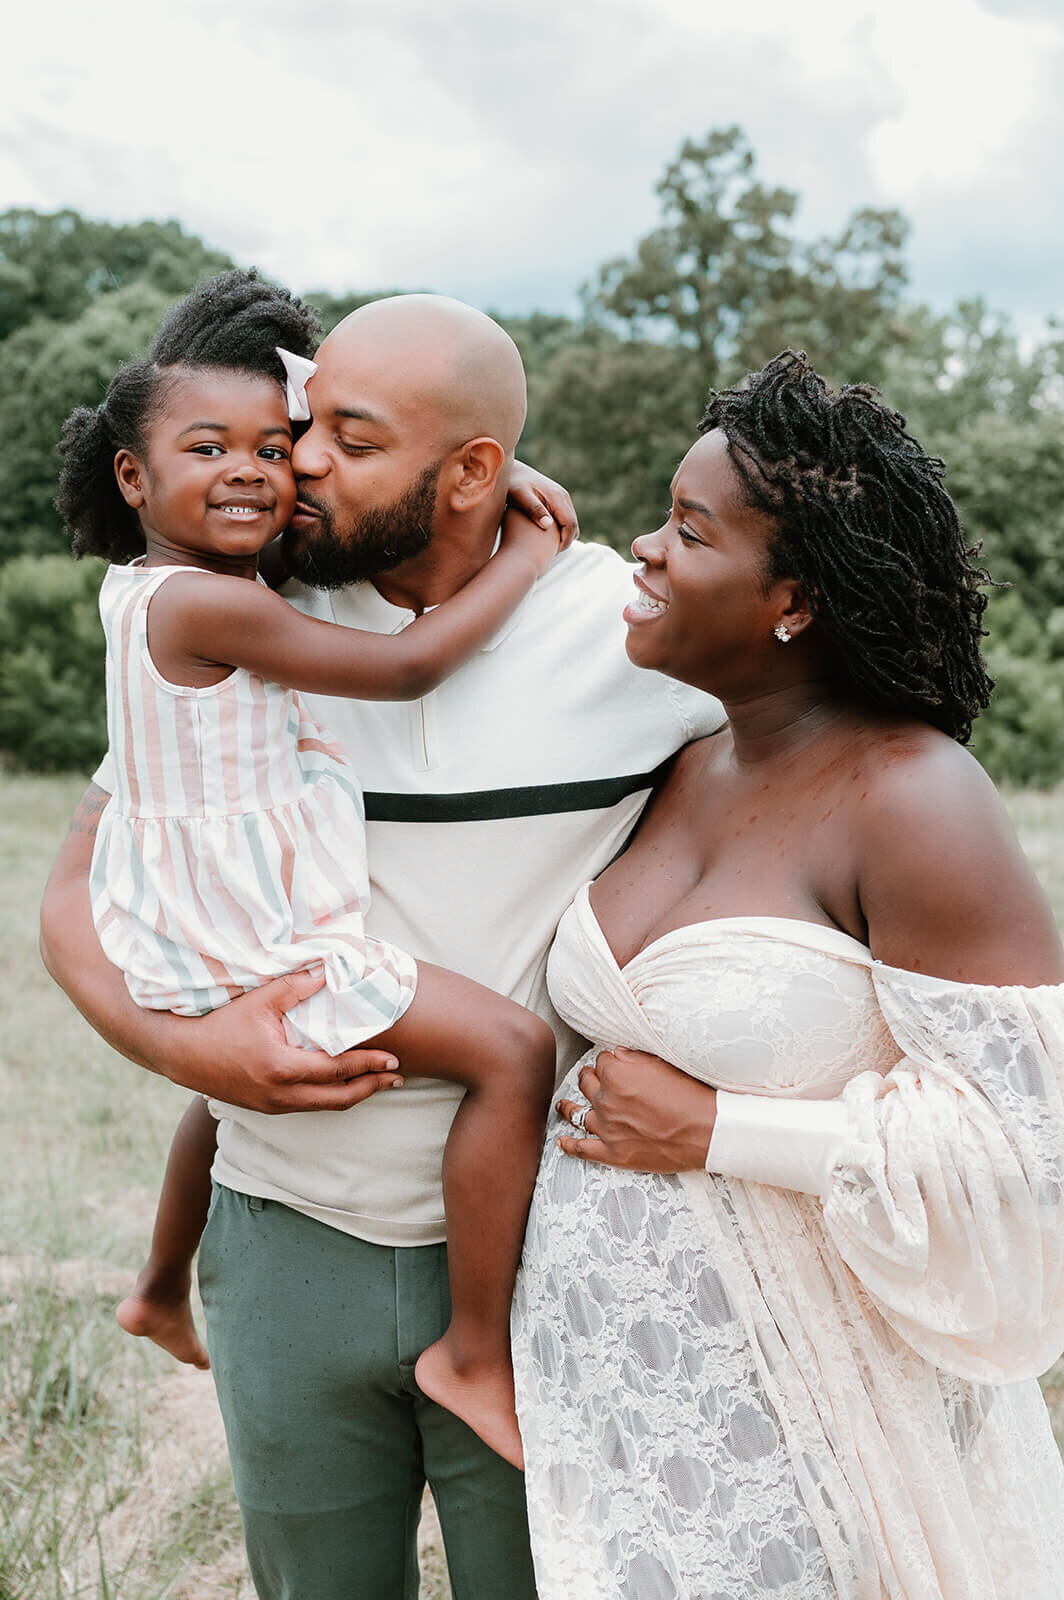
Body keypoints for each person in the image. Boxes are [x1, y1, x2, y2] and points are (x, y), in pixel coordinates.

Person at [39, 289, 723, 1597]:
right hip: (286, 1235)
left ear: (472, 471)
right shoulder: (247, 622)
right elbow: (77, 887)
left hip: (544, 1257)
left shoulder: (623, 632)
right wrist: (188, 1048)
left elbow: (822, 763)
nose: (290, 464)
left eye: (341, 440)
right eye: (305, 429)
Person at [512, 350, 1064, 1598]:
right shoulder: (679, 754)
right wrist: (491, 504)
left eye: (686, 530)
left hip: (821, 1426)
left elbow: (1031, 1155)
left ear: (794, 601)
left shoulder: (912, 799)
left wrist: (720, 1130)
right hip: (620, 1406)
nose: (644, 550)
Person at [55, 268, 587, 1469]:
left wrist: (481, 477)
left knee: (223, 1097)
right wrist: (525, 547)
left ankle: (155, 1285)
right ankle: (475, 1346)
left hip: (199, 922)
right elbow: (405, 669)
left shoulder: (186, 585)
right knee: (511, 1053)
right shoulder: (209, 605)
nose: (267, 469)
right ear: (135, 476)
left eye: (280, 443)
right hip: (258, 932)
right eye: (214, 449)